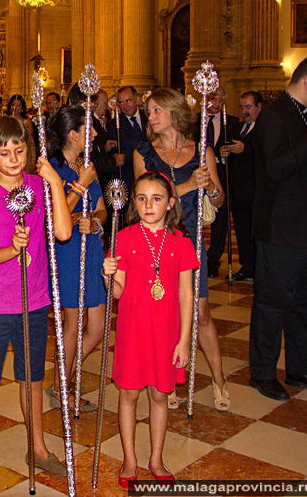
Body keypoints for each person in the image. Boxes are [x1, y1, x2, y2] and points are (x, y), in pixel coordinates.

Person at [0, 116, 73, 495]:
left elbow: (64, 232)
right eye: (4, 153)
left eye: (19, 150)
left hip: (32, 301)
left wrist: (53, 180)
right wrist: (13, 249)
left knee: (32, 380)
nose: (13, 158)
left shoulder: (38, 187)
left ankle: (37, 447)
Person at [134, 88, 230, 412]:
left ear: (175, 111)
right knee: (167, 315)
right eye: (149, 111)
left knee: (200, 313)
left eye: (156, 110)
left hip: (189, 242)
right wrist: (188, 185)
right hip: (154, 243)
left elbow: (218, 199)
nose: (151, 116)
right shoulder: (144, 153)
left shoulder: (202, 151)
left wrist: (211, 187)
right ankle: (170, 378)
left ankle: (219, 379)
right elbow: (143, 198)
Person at [103, 171, 199, 487]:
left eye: (156, 199)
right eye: (141, 198)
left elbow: (187, 295)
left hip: (166, 333)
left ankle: (156, 458)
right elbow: (118, 293)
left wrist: (184, 340)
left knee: (160, 396)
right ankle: (129, 459)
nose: (148, 205)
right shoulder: (125, 237)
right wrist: (109, 275)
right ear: (133, 202)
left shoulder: (181, 242)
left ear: (170, 203)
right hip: (133, 332)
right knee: (128, 394)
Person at [250, 55, 307, 401]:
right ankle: (263, 372)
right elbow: (275, 167)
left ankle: (301, 367)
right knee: (272, 304)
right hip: (281, 231)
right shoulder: (274, 116)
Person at [47, 106, 107, 412]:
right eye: (89, 129)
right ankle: (62, 385)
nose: (95, 134)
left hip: (92, 249)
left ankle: (62, 375)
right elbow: (56, 222)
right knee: (73, 324)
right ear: (73, 135)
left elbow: (101, 208)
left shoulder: (88, 165)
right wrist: (80, 184)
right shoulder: (52, 170)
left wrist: (95, 221)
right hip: (67, 253)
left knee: (98, 327)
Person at [223, 91, 262, 282]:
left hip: (256, 191)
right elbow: (228, 148)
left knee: (255, 233)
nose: (244, 111)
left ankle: (258, 268)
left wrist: (245, 149)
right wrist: (225, 151)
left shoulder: (264, 128)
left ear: (258, 107)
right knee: (241, 231)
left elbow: (265, 154)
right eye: (241, 107)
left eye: (248, 107)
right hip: (238, 190)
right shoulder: (237, 128)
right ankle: (247, 267)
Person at [202, 90, 241, 277]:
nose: (216, 103)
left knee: (221, 220)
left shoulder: (231, 122)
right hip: (199, 173)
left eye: (220, 100)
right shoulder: (196, 121)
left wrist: (229, 152)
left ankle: (214, 260)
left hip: (222, 174)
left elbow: (237, 146)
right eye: (212, 99)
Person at [106, 85, 147, 186]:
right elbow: (114, 149)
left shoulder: (148, 117)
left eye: (128, 101)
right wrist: (115, 155)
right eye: (121, 103)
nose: (125, 106)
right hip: (128, 176)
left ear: (137, 100)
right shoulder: (114, 124)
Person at [6, 93, 37, 173]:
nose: (15, 107)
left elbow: (31, 141)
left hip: (25, 154)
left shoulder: (26, 121)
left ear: (22, 108)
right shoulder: (5, 121)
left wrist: (33, 158)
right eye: (13, 105)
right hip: (9, 153)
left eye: (18, 105)